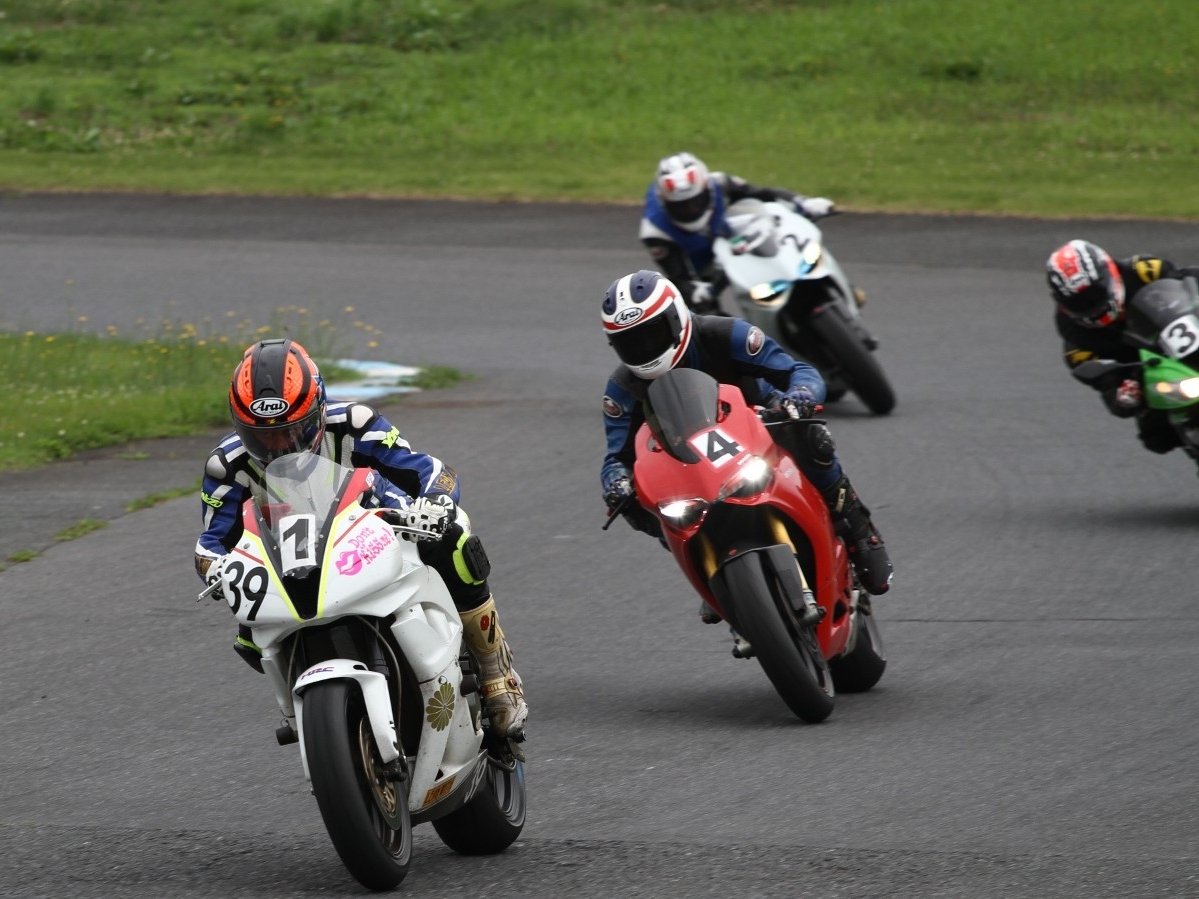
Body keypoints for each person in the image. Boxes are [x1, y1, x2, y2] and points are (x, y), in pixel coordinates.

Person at [194, 337, 527, 738]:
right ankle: (302, 713)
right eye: (262, 436)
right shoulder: (226, 465)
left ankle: (495, 672)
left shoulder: (356, 423)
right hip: (291, 564)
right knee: (250, 637)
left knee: (454, 537)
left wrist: (434, 503)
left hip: (377, 534)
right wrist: (217, 567)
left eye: (292, 431)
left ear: (318, 411)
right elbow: (212, 543)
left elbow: (431, 471)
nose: (279, 445)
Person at [598, 269, 892, 599]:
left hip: (758, 423)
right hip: (686, 459)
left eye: (652, 334)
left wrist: (801, 395)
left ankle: (856, 524)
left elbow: (798, 371)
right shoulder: (622, 389)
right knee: (634, 504)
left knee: (810, 436)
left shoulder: (726, 334)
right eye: (630, 343)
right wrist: (616, 483)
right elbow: (616, 457)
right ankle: (705, 564)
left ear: (677, 317)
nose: (644, 349)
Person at [1046, 239, 1199, 455]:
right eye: (1078, 302)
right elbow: (1107, 386)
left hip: (1187, 337)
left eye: (1095, 294)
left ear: (1109, 272)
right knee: (1155, 434)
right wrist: (1124, 396)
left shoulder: (1144, 270)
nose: (1091, 305)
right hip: (1150, 368)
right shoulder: (1076, 341)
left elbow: (1189, 280)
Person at [640, 152, 837, 313]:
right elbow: (678, 276)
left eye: (695, 202)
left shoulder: (720, 182)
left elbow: (763, 194)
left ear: (706, 189)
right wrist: (694, 290)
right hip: (702, 264)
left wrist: (803, 202)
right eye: (682, 207)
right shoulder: (655, 232)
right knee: (702, 313)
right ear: (665, 203)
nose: (691, 209)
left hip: (731, 234)